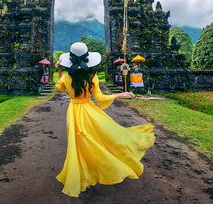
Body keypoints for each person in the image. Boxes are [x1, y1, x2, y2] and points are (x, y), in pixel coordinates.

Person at [55, 42, 155, 198]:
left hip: (73, 112)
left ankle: (83, 177)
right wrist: (119, 94)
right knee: (98, 141)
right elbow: (100, 99)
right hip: (89, 112)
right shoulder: (92, 76)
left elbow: (59, 88)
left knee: (77, 145)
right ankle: (93, 172)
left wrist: (59, 70)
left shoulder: (67, 77)